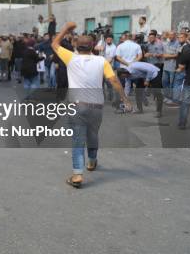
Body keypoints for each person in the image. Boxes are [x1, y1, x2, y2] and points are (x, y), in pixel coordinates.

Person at [52, 22, 132, 188]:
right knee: (93, 134)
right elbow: (114, 80)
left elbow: (54, 44)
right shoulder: (101, 61)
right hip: (97, 106)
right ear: (94, 46)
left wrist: (66, 28)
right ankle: (92, 161)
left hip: (77, 106)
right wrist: (125, 99)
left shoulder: (71, 58)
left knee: (78, 139)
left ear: (75, 45)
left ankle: (77, 175)